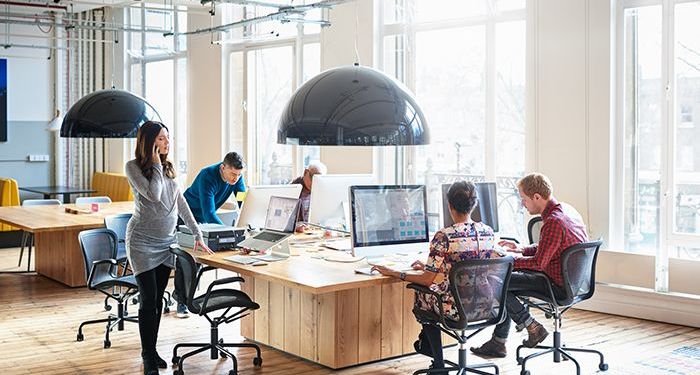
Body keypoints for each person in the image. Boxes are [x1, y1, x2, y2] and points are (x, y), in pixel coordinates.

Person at [371, 181, 503, 373]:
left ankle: (438, 363)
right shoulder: (488, 232)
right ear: (473, 205)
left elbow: (427, 280)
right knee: (432, 294)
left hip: (454, 309)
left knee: (423, 296)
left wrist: (395, 273)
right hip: (484, 305)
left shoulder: (444, 236)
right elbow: (467, 264)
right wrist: (430, 266)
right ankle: (430, 350)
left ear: (449, 205)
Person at [125, 121, 213, 375]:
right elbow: (153, 194)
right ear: (149, 142)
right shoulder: (134, 168)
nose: (167, 143)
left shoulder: (168, 169)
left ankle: (151, 349)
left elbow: (180, 202)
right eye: (161, 139)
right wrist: (154, 163)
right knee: (148, 299)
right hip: (141, 241)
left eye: (168, 138)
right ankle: (148, 355)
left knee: (158, 301)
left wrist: (197, 233)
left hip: (165, 243)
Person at [470, 173, 588, 358]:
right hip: (574, 282)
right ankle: (499, 342)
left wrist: (505, 262)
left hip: (556, 285)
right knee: (504, 282)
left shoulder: (554, 222)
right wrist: (520, 249)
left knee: (496, 281)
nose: (522, 203)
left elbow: (539, 264)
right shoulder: (566, 211)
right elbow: (551, 247)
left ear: (537, 197)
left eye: (523, 198)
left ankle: (532, 327)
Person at [173, 152, 247, 317]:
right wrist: (229, 234)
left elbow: (243, 201)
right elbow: (209, 213)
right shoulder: (208, 175)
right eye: (233, 174)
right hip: (187, 216)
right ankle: (181, 300)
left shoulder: (237, 178)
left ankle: (187, 296)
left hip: (204, 219)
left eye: (239, 174)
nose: (236, 178)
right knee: (187, 259)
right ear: (223, 167)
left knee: (198, 261)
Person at [290, 161, 327, 227]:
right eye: (313, 178)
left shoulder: (319, 190)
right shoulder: (293, 189)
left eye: (319, 180)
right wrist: (296, 226)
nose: (315, 183)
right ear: (305, 172)